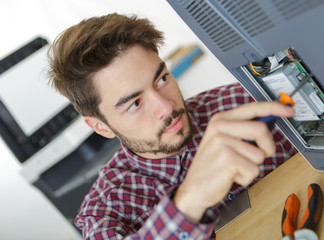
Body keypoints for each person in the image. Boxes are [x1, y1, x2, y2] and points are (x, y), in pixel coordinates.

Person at [48, 13, 297, 239]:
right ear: (101, 127)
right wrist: (189, 200)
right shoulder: (106, 209)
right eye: (135, 103)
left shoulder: (235, 104)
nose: (166, 107)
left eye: (162, 79)